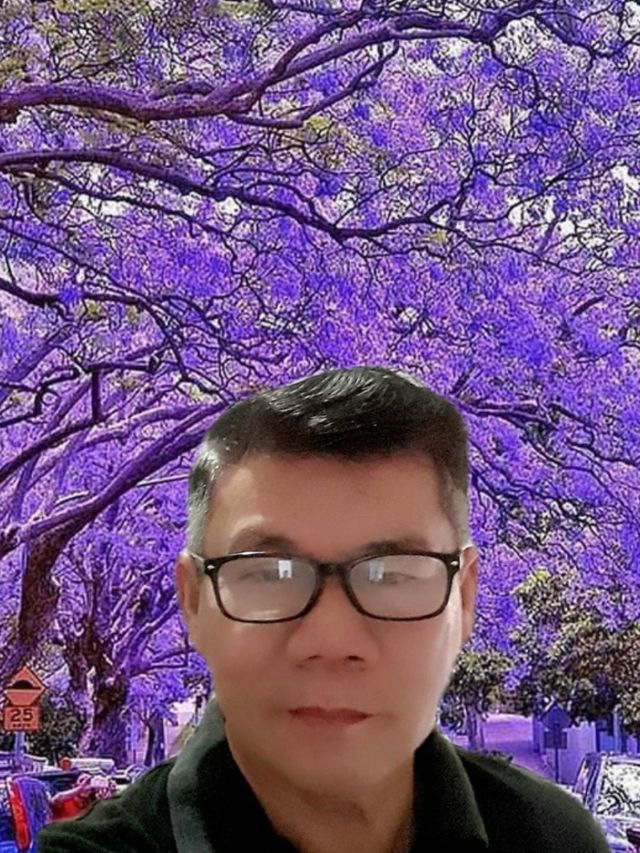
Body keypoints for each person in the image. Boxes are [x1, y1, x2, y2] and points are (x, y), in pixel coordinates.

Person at [37, 366, 610, 852]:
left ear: (462, 598)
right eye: (269, 574)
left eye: (391, 574)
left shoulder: (555, 837)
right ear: (193, 602)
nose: (332, 640)